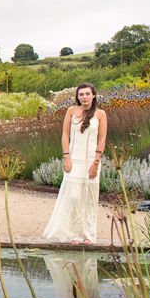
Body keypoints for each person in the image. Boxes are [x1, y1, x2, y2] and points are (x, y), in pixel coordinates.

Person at [43, 83, 108, 245]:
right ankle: (74, 234)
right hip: (74, 160)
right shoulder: (71, 111)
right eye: (81, 94)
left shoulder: (100, 114)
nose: (84, 97)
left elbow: (102, 139)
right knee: (74, 196)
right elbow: (65, 135)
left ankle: (88, 234)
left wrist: (96, 162)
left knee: (89, 197)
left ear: (93, 95)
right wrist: (66, 156)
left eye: (87, 94)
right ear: (77, 97)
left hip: (92, 161)